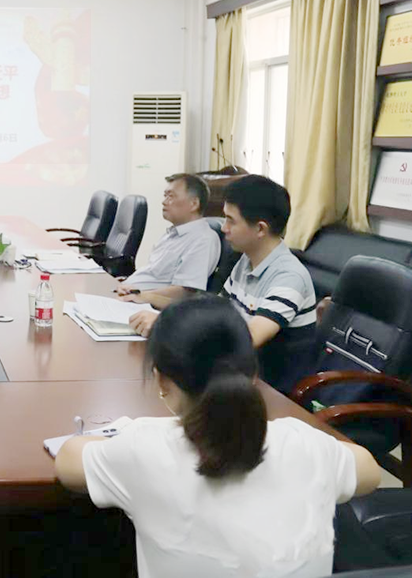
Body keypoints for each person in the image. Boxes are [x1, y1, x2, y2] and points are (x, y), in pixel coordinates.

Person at [55, 297, 380, 578]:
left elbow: (69, 462)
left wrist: (123, 438)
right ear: (253, 375)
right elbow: (369, 471)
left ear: (162, 381)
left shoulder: (144, 446)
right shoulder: (305, 443)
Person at [129, 175, 318, 394]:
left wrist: (168, 326)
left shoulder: (289, 276)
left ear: (260, 229)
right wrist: (152, 300)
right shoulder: (246, 261)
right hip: (235, 376)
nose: (224, 228)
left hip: (270, 391)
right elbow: (216, 312)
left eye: (230, 220)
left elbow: (248, 338)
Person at [115, 173, 220, 307]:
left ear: (194, 204)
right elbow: (154, 276)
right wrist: (128, 285)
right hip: (129, 296)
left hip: (147, 307)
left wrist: (140, 294)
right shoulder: (172, 234)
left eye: (171, 196)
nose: (164, 202)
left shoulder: (203, 240)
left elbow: (185, 293)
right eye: (165, 196)